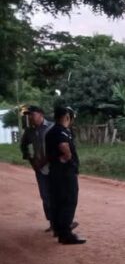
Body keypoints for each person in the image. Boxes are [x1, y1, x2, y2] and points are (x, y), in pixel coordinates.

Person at [45, 105, 86, 245]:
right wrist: (67, 157)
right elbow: (63, 146)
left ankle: (59, 230)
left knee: (58, 201)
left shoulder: (52, 131)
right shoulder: (60, 131)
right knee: (68, 201)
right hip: (64, 173)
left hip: (56, 172)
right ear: (67, 117)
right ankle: (66, 234)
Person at [19, 105, 55, 232]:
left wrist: (46, 160)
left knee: (58, 194)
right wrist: (30, 159)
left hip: (55, 167)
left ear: (41, 114)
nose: (30, 117)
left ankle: (63, 222)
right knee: (45, 195)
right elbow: (23, 145)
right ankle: (52, 223)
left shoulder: (52, 127)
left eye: (32, 114)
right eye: (28, 115)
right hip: (39, 169)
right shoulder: (29, 131)